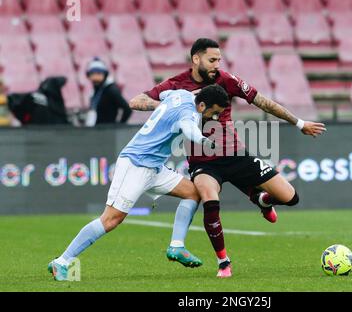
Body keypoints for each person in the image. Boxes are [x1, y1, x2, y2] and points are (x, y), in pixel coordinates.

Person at [130, 38, 326, 278]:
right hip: (203, 162)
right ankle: (224, 262)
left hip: (236, 154)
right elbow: (135, 101)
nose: (217, 65)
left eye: (219, 60)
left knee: (290, 197)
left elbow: (262, 101)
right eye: (212, 60)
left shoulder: (226, 80)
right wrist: (172, 105)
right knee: (209, 198)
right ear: (196, 59)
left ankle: (262, 200)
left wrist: (300, 123)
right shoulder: (176, 85)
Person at [48, 84, 230, 281]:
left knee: (193, 193)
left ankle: (177, 246)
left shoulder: (181, 94)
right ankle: (63, 261)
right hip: (136, 164)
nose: (215, 118)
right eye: (214, 113)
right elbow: (190, 131)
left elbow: (164, 93)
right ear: (202, 105)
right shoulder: (190, 115)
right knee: (111, 219)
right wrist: (206, 141)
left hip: (155, 167)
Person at [85, 57, 132, 126]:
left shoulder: (111, 90)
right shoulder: (96, 89)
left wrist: (119, 126)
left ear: (104, 74)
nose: (95, 77)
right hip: (97, 131)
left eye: (98, 73)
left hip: (108, 132)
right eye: (92, 74)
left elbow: (127, 109)